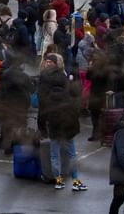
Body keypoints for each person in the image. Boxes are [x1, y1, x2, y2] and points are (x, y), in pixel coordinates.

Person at [38, 53, 88, 191]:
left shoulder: (45, 85)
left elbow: (42, 105)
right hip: (68, 124)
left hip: (54, 124)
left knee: (54, 153)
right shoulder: (66, 84)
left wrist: (41, 124)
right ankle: (76, 181)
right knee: (72, 153)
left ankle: (58, 180)